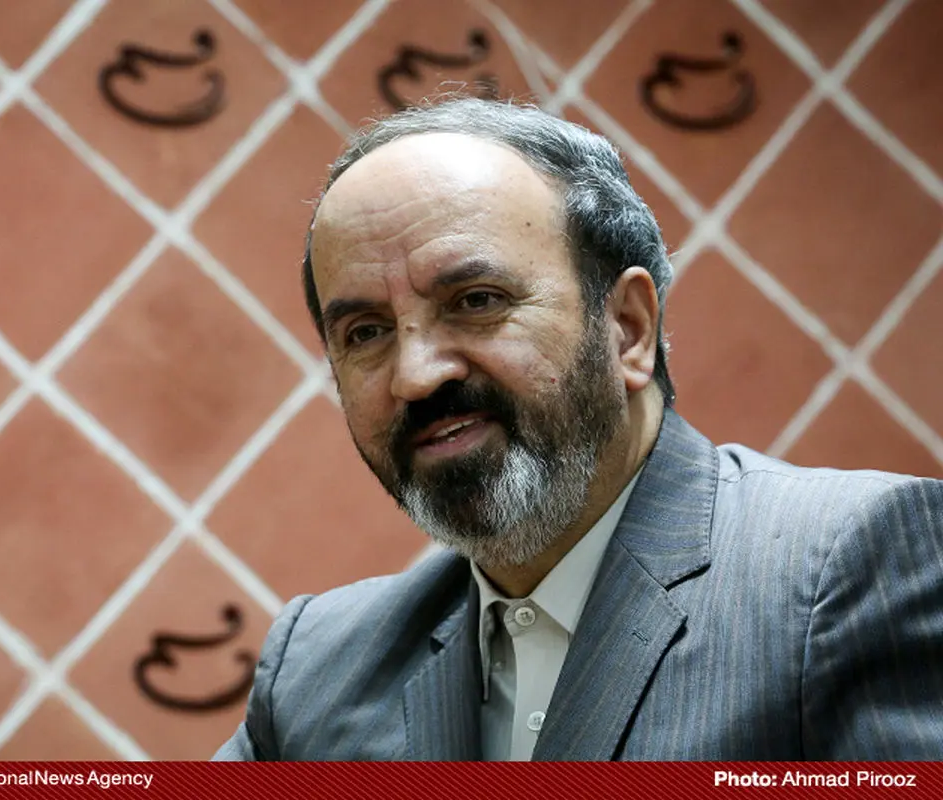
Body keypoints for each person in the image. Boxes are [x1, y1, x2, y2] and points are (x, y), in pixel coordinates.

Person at [212, 97, 943, 761]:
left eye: (476, 300)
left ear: (628, 328)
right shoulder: (318, 671)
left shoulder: (843, 571)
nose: (417, 376)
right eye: (366, 332)